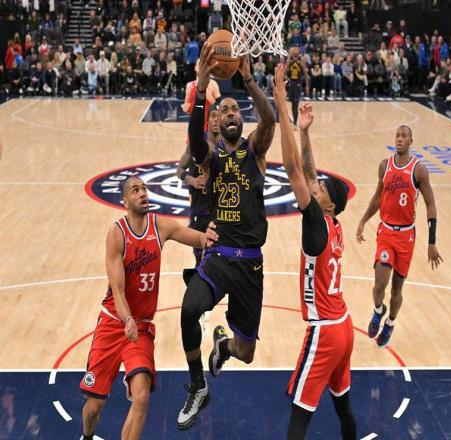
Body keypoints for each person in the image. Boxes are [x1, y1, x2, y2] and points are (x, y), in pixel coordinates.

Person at [177, 43, 275, 430]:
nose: (230, 113)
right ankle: (198, 386)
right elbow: (195, 144)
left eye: (235, 110)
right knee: (189, 309)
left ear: (242, 118)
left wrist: (248, 80)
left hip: (250, 263)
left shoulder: (255, 151)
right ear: (217, 119)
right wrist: (202, 90)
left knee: (246, 352)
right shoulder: (212, 157)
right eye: (224, 110)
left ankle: (225, 347)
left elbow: (270, 120)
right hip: (219, 257)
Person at [79, 176, 218, 440]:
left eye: (144, 188)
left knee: (141, 397)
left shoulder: (160, 226)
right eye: (135, 190)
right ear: (125, 201)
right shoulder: (117, 234)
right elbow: (117, 290)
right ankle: (87, 436)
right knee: (94, 406)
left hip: (140, 327)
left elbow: (199, 239)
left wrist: (210, 236)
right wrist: (127, 319)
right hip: (113, 324)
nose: (142, 193)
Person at [272, 64, 356, 440]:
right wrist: (305, 132)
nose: (314, 185)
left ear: (329, 204)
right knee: (343, 406)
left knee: (300, 412)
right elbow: (307, 172)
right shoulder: (332, 224)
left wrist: (282, 105)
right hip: (345, 325)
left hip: (325, 331)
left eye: (319, 188)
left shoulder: (316, 223)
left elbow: (294, 170)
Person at [356, 126, 443, 347]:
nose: (400, 139)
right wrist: (363, 220)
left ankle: (390, 323)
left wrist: (432, 242)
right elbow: (378, 197)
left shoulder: (419, 170)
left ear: (411, 141)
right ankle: (378, 311)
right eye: (397, 135)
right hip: (386, 232)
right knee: (379, 284)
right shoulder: (384, 166)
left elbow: (431, 205)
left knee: (397, 289)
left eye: (404, 136)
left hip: (406, 236)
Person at [176, 104, 221, 266]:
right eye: (213, 116)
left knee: (218, 256)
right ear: (207, 121)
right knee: (199, 257)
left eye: (219, 116)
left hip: (220, 210)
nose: (216, 120)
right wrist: (192, 181)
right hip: (199, 208)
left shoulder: (229, 145)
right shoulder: (196, 143)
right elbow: (179, 170)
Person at [182, 58, 221, 133]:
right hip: (195, 127)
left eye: (204, 65)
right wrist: (186, 108)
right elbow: (187, 106)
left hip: (210, 128)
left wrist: (211, 99)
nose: (201, 66)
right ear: (195, 68)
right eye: (199, 64)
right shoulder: (189, 85)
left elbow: (220, 107)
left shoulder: (213, 84)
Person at [285, 46, 310, 127]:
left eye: (297, 49)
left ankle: (295, 122)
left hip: (298, 84)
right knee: (292, 104)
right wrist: (288, 60)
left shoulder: (301, 60)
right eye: (294, 49)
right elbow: (285, 72)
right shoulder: (289, 60)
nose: (295, 50)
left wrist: (307, 85)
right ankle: (293, 120)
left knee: (295, 104)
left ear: (299, 51)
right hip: (291, 84)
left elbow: (305, 74)